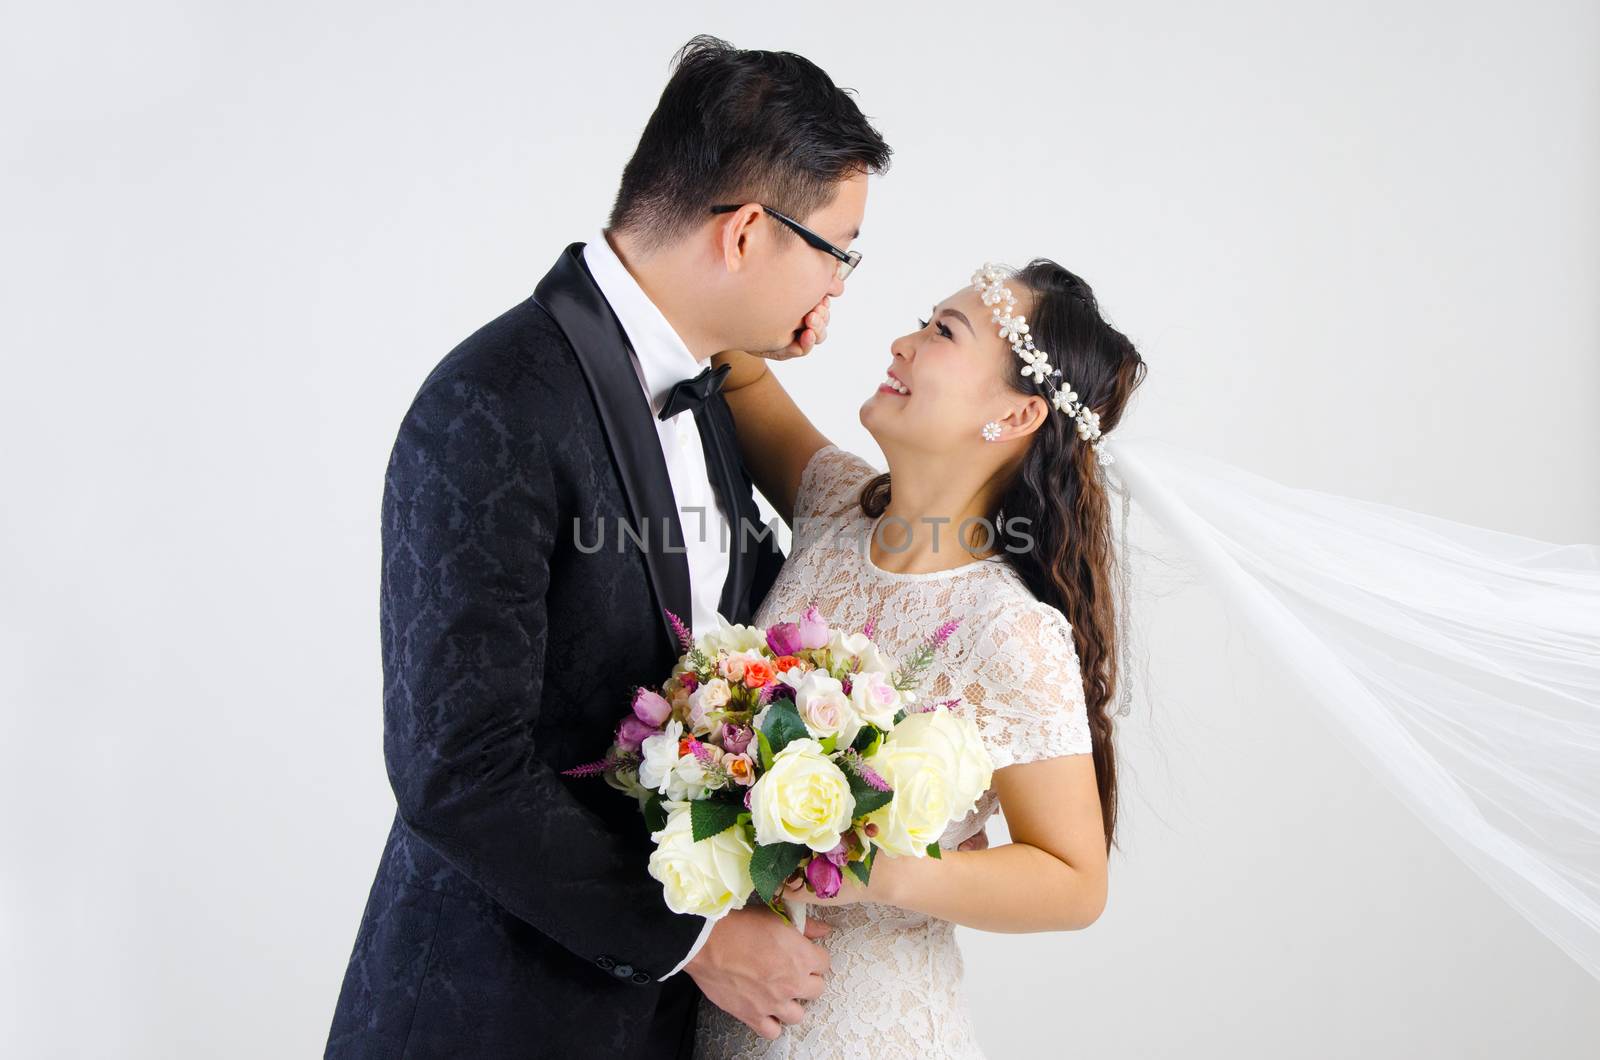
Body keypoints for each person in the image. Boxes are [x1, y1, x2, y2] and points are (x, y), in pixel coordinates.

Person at [324, 36, 891, 1058]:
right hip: (496, 1011)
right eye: (838, 249)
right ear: (748, 232)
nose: (842, 285)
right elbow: (457, 766)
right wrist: (697, 934)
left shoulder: (707, 382)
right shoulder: (489, 404)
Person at [693, 259, 1147, 1058]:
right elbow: (737, 372)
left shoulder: (1007, 627)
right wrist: (784, 311)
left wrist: (875, 868)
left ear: (1016, 414)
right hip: (725, 1009)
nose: (901, 343)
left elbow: (1076, 882)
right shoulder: (835, 503)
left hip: (862, 1025)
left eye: (942, 332)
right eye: (923, 320)